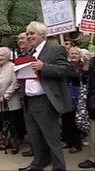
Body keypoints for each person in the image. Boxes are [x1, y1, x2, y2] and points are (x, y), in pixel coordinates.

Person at [18, 21, 72, 171]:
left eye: (32, 33)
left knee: (52, 140)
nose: (29, 36)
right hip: (28, 101)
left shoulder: (55, 49)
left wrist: (44, 67)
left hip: (46, 101)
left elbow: (65, 69)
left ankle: (59, 168)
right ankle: (37, 164)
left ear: (42, 34)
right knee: (34, 138)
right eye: (27, 33)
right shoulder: (29, 53)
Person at [0, 47, 22, 154]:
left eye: (2, 56)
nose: (0, 57)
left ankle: (15, 143)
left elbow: (16, 83)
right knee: (1, 123)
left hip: (11, 101)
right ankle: (5, 141)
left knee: (13, 123)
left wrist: (5, 96)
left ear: (8, 57)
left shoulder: (13, 67)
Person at [16, 32, 34, 157]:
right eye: (18, 39)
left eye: (22, 38)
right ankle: (34, 148)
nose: (19, 41)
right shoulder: (20, 55)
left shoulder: (34, 54)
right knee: (30, 126)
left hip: (35, 95)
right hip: (24, 94)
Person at [78, 56, 95, 169]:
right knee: (93, 133)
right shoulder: (92, 61)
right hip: (93, 103)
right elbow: (84, 81)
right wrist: (85, 66)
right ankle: (93, 159)